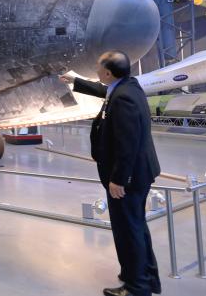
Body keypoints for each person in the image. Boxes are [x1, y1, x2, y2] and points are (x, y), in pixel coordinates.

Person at [60, 51, 162, 296]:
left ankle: (136, 287)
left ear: (108, 73)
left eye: (98, 68)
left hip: (128, 178)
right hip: (139, 173)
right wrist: (75, 81)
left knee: (128, 231)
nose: (96, 71)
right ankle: (144, 277)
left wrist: (118, 179)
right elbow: (105, 91)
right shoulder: (128, 86)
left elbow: (128, 144)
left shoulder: (123, 98)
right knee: (136, 227)